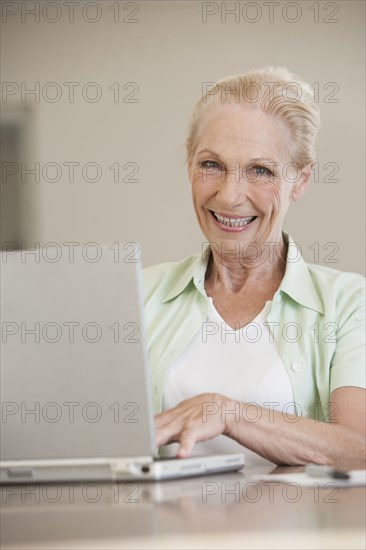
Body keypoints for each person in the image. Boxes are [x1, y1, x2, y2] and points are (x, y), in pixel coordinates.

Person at [143, 67, 365, 466]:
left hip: (301, 528)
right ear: (189, 164)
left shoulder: (350, 303)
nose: (229, 196)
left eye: (260, 170)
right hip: (165, 529)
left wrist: (228, 413)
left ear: (300, 180)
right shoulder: (136, 295)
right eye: (211, 165)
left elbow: (358, 450)